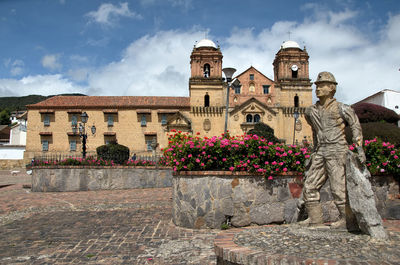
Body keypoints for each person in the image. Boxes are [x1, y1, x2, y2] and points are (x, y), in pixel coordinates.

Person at [299, 71, 365, 229]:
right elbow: (314, 131)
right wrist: (314, 149)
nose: (318, 89)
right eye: (317, 86)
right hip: (321, 151)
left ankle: (347, 220)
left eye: (322, 86)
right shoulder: (311, 111)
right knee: (310, 185)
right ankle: (315, 220)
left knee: (338, 189)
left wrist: (359, 148)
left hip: (337, 150)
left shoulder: (342, 108)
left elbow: (355, 126)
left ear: (332, 88)